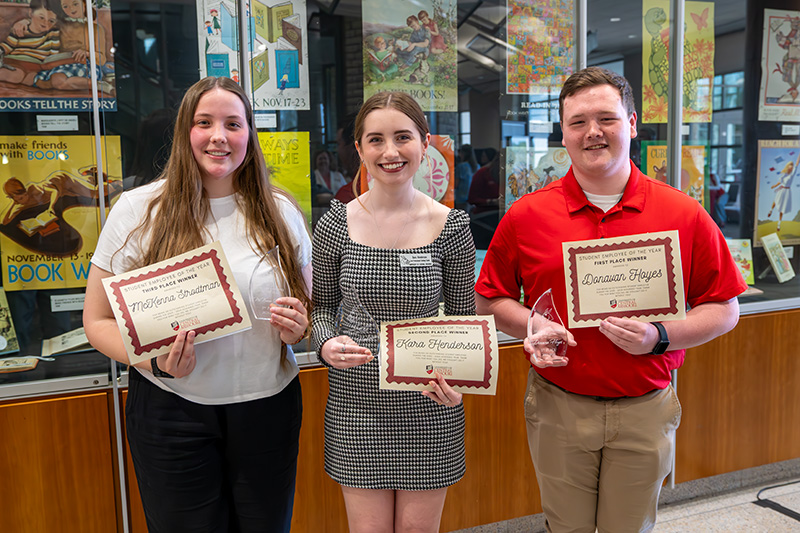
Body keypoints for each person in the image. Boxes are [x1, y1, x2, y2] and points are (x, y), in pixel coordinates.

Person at [475, 67, 746, 533]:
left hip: (645, 406)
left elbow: (725, 308)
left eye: (607, 118)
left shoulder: (681, 212)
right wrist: (533, 326)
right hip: (559, 404)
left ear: (633, 123)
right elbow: (491, 300)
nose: (593, 132)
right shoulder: (527, 215)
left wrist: (659, 336)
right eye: (578, 122)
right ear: (563, 133)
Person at [83, 76, 312, 532]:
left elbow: (307, 306)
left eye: (233, 123)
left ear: (250, 134)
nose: (219, 136)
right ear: (185, 131)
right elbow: (97, 320)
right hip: (173, 411)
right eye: (204, 122)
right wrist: (154, 360)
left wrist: (299, 326)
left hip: (268, 409)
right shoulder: (137, 209)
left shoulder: (280, 210)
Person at [311, 91, 475, 533]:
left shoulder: (452, 227)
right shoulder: (335, 224)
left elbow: (464, 324)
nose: (390, 151)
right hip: (356, 405)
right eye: (376, 139)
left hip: (429, 405)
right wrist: (326, 343)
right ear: (359, 149)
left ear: (425, 144)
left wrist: (459, 384)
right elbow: (321, 308)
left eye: (403, 137)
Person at [0, 0, 60, 86]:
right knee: (16, 76)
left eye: (51, 21)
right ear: (31, 13)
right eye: (41, 17)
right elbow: (7, 46)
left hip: (37, 67)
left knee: (32, 80)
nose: (45, 23)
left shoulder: (54, 32)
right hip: (16, 62)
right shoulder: (21, 28)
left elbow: (53, 54)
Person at [766, 153, 800, 231]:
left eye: (792, 167)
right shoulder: (784, 174)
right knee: (776, 200)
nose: (791, 168)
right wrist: (774, 186)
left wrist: (799, 156)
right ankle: (771, 210)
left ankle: (778, 224)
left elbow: (797, 164)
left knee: (782, 208)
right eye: (790, 167)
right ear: (788, 167)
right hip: (782, 189)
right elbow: (780, 182)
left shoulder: (792, 174)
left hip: (787, 192)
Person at [453, 144, 478, 209]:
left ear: (463, 153)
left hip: (462, 199)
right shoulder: (477, 166)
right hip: (474, 199)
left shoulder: (461, 167)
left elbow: (456, 184)